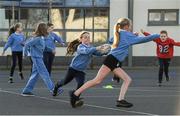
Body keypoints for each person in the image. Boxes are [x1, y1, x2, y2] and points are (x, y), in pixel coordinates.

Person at [69, 18, 160, 108]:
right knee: (97, 80)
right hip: (112, 60)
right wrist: (157, 35)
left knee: (127, 79)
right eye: (130, 26)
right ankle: (75, 94)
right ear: (127, 26)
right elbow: (143, 39)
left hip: (113, 60)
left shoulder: (118, 33)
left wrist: (132, 35)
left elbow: (111, 40)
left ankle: (121, 100)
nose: (131, 28)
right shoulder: (127, 35)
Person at [53, 31, 106, 97]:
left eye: (89, 37)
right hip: (73, 69)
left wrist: (104, 52)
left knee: (81, 84)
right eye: (85, 37)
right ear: (81, 39)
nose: (87, 39)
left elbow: (97, 53)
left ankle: (75, 98)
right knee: (64, 82)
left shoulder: (90, 47)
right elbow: (87, 51)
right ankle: (56, 86)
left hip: (81, 71)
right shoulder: (80, 47)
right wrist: (96, 48)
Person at [21, 22, 63, 96]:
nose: (48, 30)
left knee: (35, 74)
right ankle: (53, 89)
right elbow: (27, 44)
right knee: (45, 73)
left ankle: (26, 91)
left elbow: (44, 47)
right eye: (46, 28)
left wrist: (51, 50)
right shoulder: (37, 38)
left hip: (38, 57)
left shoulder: (41, 38)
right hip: (36, 58)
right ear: (43, 29)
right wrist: (25, 54)